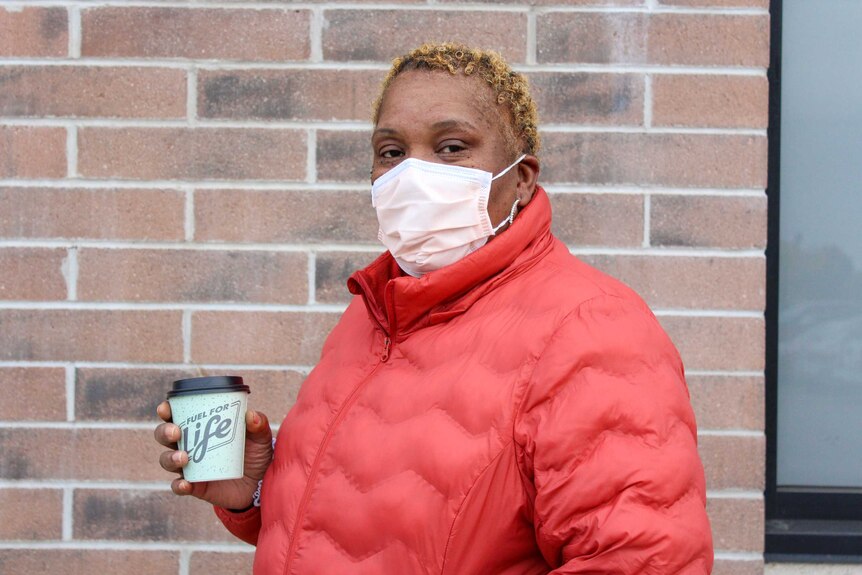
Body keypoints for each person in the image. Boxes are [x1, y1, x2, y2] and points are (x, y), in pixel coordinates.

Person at [155, 43, 713, 574]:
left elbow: (643, 560)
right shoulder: (378, 309)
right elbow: (362, 531)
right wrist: (254, 493)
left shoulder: (592, 330)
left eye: (451, 147)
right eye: (391, 152)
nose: (412, 174)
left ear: (520, 178)